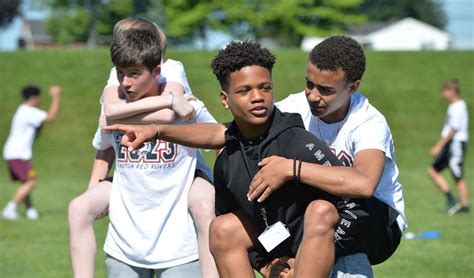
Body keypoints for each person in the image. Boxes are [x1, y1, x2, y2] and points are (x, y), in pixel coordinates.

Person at [107, 36, 405, 277]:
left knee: (319, 211)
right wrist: (157, 130)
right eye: (308, 84)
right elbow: (222, 133)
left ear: (352, 88)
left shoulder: (368, 123)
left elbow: (364, 184)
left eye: (325, 90)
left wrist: (291, 168)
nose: (313, 96)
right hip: (311, 214)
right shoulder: (296, 106)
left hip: (371, 219)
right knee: (224, 229)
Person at [68, 18, 218, 277]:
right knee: (78, 207)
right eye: (120, 72)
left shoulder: (181, 91)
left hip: (179, 245)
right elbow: (104, 145)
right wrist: (96, 190)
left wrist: (174, 102)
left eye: (134, 73)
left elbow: (219, 136)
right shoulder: (113, 102)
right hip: (125, 245)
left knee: (205, 205)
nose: (126, 82)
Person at [2, 85, 61, 220]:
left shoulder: (24, 111)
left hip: (16, 153)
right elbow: (51, 117)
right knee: (31, 182)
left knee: (25, 182)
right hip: (18, 153)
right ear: (34, 98)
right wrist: (56, 96)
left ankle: (30, 210)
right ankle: (9, 208)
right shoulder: (28, 111)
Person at [427, 79, 469, 215]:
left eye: (444, 91)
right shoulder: (453, 106)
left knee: (457, 174)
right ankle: (452, 199)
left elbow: (453, 129)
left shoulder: (458, 106)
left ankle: (464, 205)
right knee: (432, 170)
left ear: (452, 91)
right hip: (451, 144)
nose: (443, 94)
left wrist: (439, 146)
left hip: (455, 144)